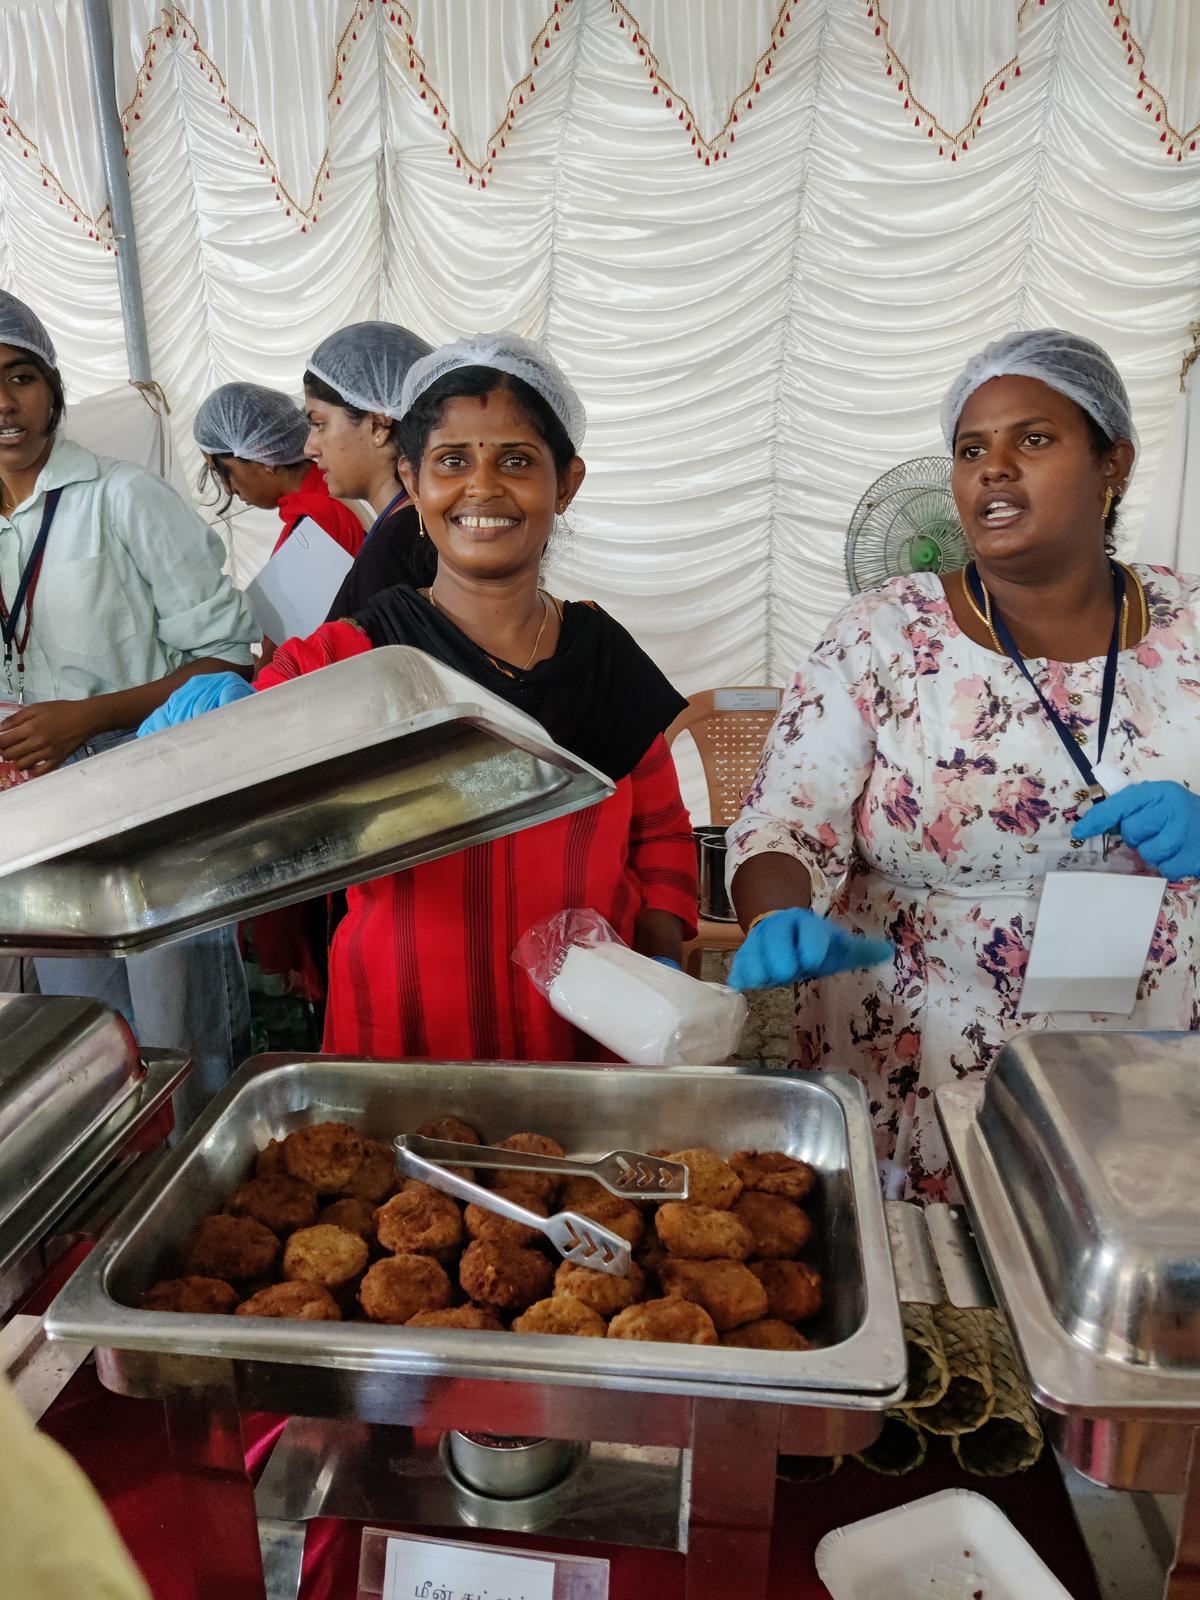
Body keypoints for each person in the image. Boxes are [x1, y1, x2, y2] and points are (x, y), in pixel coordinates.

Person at [727, 328, 1200, 1201]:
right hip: (916, 1051)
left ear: (1113, 463)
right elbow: (785, 816)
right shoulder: (885, 633)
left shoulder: (1190, 624)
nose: (993, 468)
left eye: (1034, 439)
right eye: (971, 449)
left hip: (1142, 1061)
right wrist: (774, 913)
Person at [144, 332, 698, 1060]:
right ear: (411, 476)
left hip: (585, 1031)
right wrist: (214, 734)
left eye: (518, 461)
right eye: (452, 461)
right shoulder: (356, 656)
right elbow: (243, 796)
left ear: (567, 483)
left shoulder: (603, 661)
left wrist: (658, 961)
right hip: (399, 1033)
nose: (483, 487)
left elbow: (659, 832)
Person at [0, 291, 257, 1128]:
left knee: (186, 1043)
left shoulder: (124, 499)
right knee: (84, 1047)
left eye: (20, 376)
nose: (4, 403)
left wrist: (87, 716)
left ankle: (209, 1209)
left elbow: (228, 655)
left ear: (53, 388)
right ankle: (116, 1224)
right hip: (40, 822)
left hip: (150, 808)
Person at [303, 321, 437, 617]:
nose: (309, 448)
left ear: (378, 425)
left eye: (319, 424)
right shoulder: (417, 527)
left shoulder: (393, 549)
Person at [193, 380, 365, 560]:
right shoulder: (334, 493)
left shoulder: (315, 521)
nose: (229, 489)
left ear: (261, 454)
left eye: (224, 472)